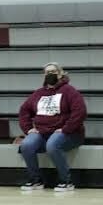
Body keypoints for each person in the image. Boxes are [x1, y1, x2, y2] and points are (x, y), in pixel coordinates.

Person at [18, 63, 87, 192]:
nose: (50, 74)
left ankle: (66, 181)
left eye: (53, 71)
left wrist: (66, 128)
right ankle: (35, 180)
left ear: (60, 73)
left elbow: (80, 112)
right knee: (26, 145)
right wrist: (28, 129)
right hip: (43, 133)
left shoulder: (69, 91)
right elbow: (24, 111)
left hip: (68, 133)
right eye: (47, 72)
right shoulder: (38, 94)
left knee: (52, 144)